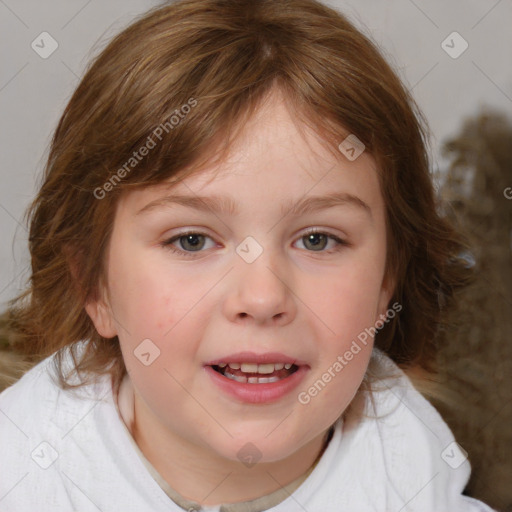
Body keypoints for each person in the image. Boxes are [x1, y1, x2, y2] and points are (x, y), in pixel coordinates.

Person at [0, 0, 496, 510]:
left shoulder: (424, 489)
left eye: (318, 239)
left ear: (386, 283)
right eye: (191, 240)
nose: (262, 298)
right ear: (94, 286)